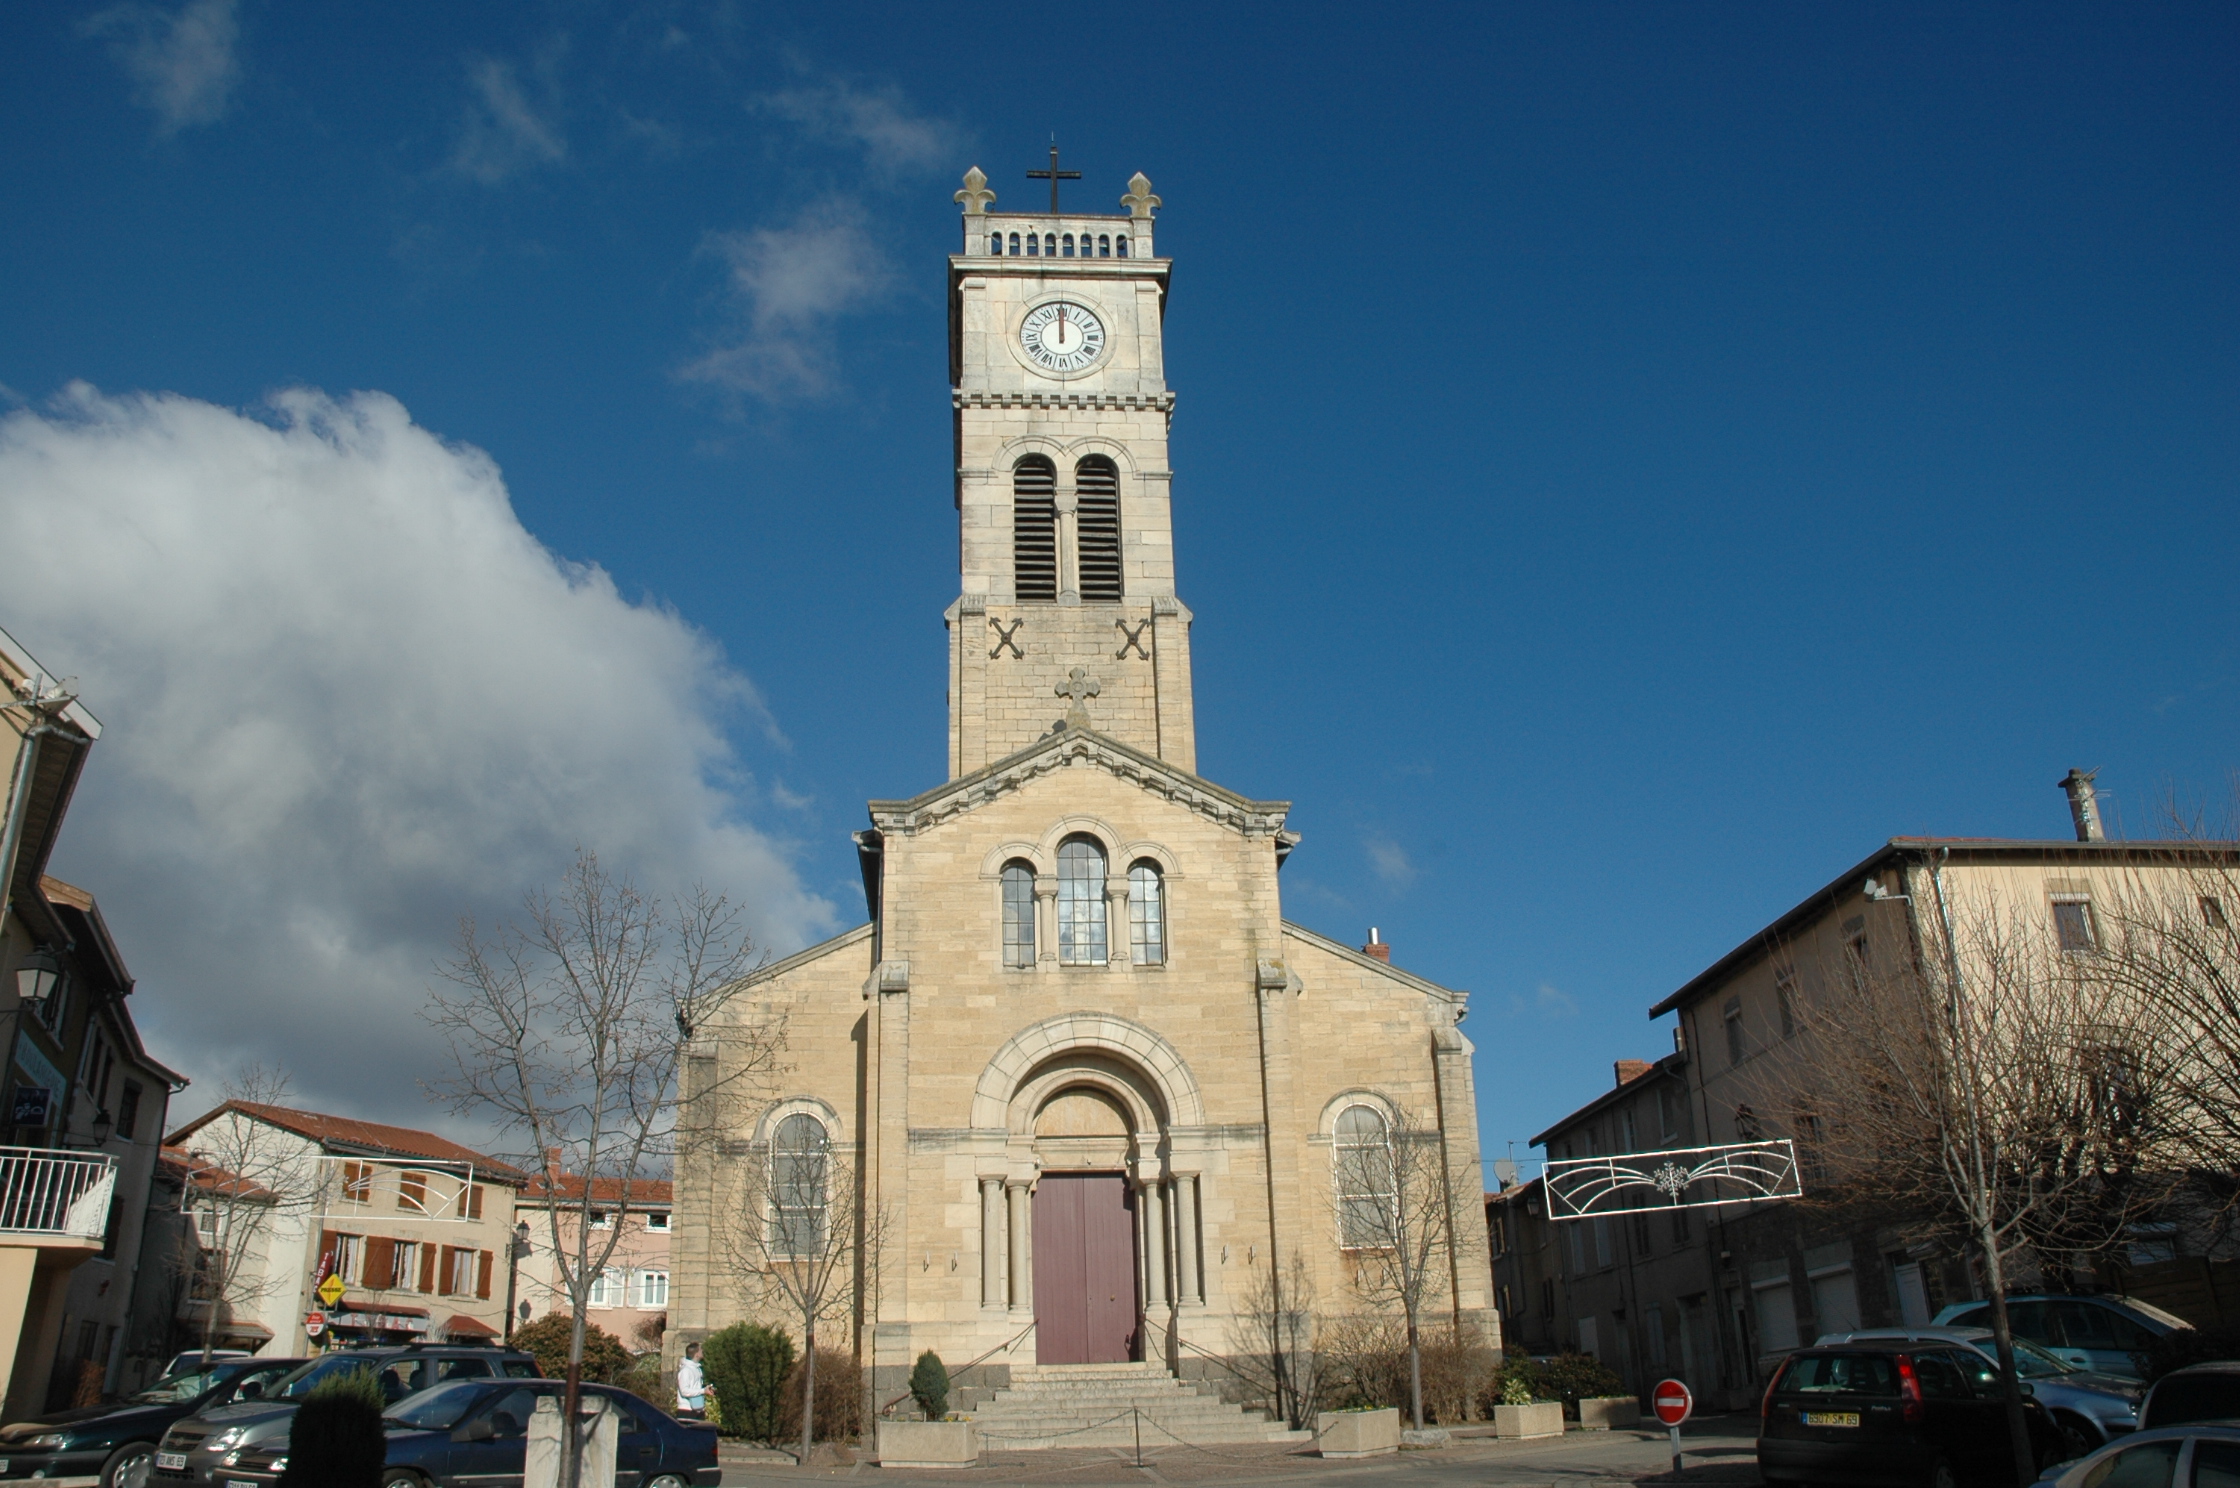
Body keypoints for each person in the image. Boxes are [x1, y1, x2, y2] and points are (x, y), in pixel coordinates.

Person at [676, 1341, 706, 1418]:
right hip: (687, 1411)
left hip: (698, 1409)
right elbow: (684, 1391)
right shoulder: (685, 1371)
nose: (703, 1352)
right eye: (701, 1350)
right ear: (697, 1354)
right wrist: (703, 1391)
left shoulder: (697, 1369)